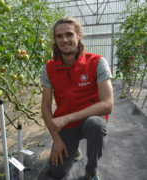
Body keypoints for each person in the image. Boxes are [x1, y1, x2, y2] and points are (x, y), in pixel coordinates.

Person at [40, 16, 114, 180]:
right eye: (59, 36)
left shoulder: (96, 62)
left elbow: (108, 104)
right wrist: (56, 139)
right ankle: (73, 148)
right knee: (57, 172)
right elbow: (45, 107)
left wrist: (67, 117)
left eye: (69, 34)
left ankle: (91, 170)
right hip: (67, 127)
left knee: (96, 124)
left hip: (89, 120)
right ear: (55, 40)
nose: (64, 40)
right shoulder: (49, 68)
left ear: (79, 35)